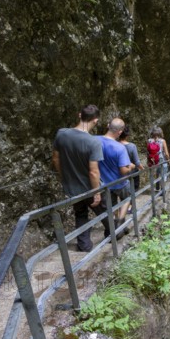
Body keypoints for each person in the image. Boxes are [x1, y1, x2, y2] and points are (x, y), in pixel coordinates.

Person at [52, 105, 104, 252]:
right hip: (89, 187)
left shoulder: (61, 134)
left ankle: (84, 245)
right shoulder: (93, 142)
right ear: (95, 121)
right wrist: (97, 192)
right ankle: (115, 233)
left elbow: (56, 159)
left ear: (79, 115)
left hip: (72, 187)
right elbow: (94, 172)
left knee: (80, 214)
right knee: (105, 211)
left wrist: (64, 176)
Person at [97, 118, 135, 230]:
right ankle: (120, 222)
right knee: (127, 199)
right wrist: (131, 166)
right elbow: (123, 170)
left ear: (108, 125)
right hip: (120, 182)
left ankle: (116, 224)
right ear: (120, 132)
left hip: (105, 184)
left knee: (112, 205)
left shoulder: (95, 140)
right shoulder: (120, 148)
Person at [118, 125, 144, 214]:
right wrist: (142, 168)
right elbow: (137, 162)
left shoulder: (115, 144)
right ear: (127, 135)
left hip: (120, 173)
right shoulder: (132, 146)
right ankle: (131, 208)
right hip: (132, 172)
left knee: (124, 191)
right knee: (133, 190)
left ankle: (123, 208)